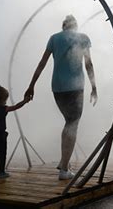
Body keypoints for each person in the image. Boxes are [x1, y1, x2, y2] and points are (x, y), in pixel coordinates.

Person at [25, 15, 97, 180]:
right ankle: (64, 169)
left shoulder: (54, 38)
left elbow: (42, 62)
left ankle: (64, 162)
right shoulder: (83, 38)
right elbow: (88, 64)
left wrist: (31, 85)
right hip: (75, 87)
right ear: (75, 26)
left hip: (57, 87)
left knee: (69, 122)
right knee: (72, 124)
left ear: (63, 26)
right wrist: (94, 86)